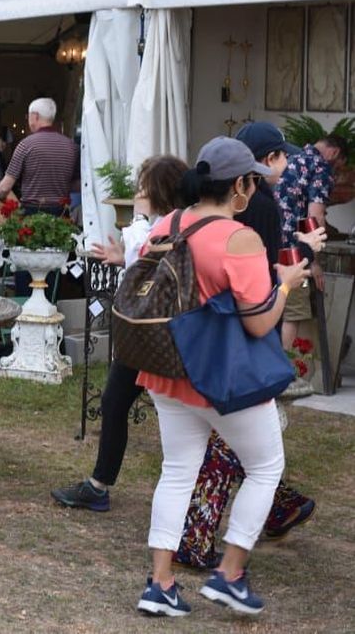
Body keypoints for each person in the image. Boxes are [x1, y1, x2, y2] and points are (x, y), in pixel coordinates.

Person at [135, 137, 308, 618]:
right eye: (252, 180)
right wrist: (286, 285)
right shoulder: (241, 238)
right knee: (266, 466)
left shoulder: (166, 225)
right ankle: (229, 573)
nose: (253, 188)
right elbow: (258, 322)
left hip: (167, 370)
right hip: (221, 376)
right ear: (239, 185)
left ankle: (161, 583)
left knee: (177, 471)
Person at [174, 121, 325, 569]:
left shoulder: (191, 215)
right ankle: (214, 545)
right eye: (276, 157)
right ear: (249, 173)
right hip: (237, 341)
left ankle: (264, 512)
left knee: (230, 447)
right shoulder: (259, 209)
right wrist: (301, 253)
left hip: (206, 339)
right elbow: (264, 281)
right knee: (239, 449)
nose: (282, 164)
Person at [51, 155, 189, 511]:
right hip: (149, 332)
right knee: (115, 402)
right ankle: (98, 485)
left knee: (190, 420)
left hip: (157, 333)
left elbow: (155, 265)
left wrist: (129, 250)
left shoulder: (171, 225)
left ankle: (269, 491)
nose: (138, 193)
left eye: (143, 186)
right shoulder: (167, 223)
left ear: (159, 190)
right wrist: (124, 255)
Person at [275, 133, 346, 351]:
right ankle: (282, 377)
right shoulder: (321, 169)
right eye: (340, 165)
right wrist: (314, 261)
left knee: (272, 308)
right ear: (334, 153)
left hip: (270, 244)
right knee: (293, 312)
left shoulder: (290, 159)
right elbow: (315, 216)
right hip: (294, 254)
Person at [0, 97, 77, 215]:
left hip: (32, 215)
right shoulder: (71, 146)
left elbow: (4, 188)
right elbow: (77, 185)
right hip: (61, 215)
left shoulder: (26, 145)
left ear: (35, 116)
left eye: (28, 116)